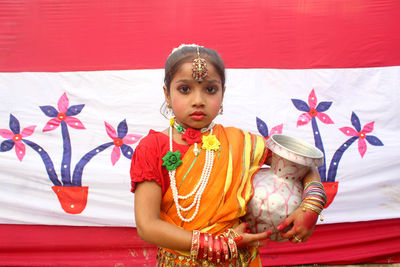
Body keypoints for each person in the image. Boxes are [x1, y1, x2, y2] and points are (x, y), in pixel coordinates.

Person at [130, 44, 325, 266]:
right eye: (185, 89)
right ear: (167, 93)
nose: (198, 100)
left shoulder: (240, 142)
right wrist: (220, 246)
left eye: (210, 90)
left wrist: (311, 204)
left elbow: (301, 164)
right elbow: (147, 226)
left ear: (223, 94)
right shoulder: (152, 148)